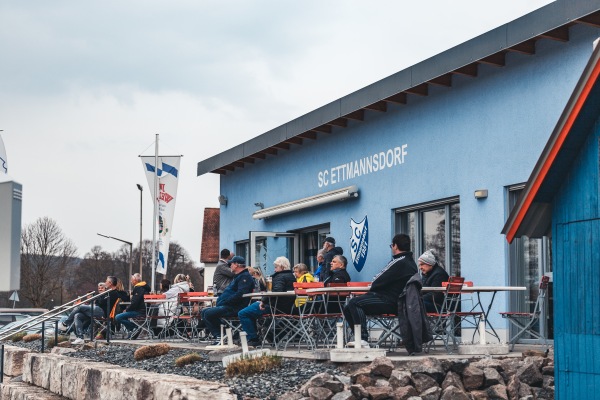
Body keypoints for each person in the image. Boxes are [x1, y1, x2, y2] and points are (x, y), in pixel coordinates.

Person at [342, 234, 418, 348]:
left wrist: (373, 287)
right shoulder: (412, 263)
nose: (392, 248)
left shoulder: (398, 261)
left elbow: (377, 280)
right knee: (349, 307)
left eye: (391, 246)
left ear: (395, 246)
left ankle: (362, 339)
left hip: (390, 300)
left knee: (354, 303)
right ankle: (358, 338)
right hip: (402, 302)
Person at [238, 256, 296, 347]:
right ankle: (267, 335)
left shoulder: (280, 277)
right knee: (251, 312)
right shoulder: (292, 276)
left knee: (243, 313)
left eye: (276, 267)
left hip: (274, 307)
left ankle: (253, 339)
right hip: (287, 307)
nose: (275, 269)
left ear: (282, 267)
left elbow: (276, 292)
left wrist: (263, 302)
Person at [200, 256, 254, 344]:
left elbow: (240, 294)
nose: (230, 266)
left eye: (231, 264)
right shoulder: (238, 277)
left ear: (236, 265)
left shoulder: (245, 277)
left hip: (235, 307)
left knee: (208, 313)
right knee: (204, 311)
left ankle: (220, 336)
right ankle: (221, 334)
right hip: (228, 305)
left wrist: (226, 301)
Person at [115, 273, 151, 339]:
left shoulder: (138, 288)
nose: (131, 281)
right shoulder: (144, 288)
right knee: (124, 315)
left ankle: (135, 328)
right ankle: (131, 331)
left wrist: (127, 309)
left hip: (139, 312)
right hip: (144, 311)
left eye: (131, 280)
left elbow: (135, 303)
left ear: (135, 280)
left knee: (118, 317)